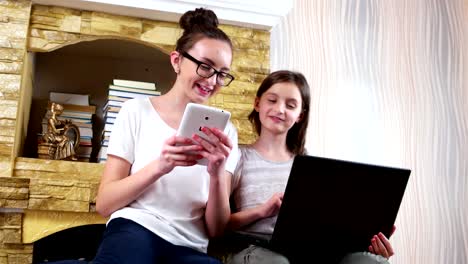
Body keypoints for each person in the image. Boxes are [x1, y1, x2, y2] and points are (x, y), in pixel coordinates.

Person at [42, 7, 238, 264]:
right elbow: (105, 204)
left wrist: (216, 175)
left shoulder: (226, 133)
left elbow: (217, 230)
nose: (213, 80)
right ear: (177, 61)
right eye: (205, 67)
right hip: (136, 228)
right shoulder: (136, 110)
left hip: (189, 245)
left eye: (222, 74)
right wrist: (161, 166)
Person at [226, 70, 395, 264]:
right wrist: (262, 211)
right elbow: (219, 224)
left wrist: (368, 236)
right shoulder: (238, 157)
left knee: (372, 261)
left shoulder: (310, 165)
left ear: (300, 115)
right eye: (272, 100)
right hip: (257, 248)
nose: (280, 109)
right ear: (257, 104)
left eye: (291, 105)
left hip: (308, 249)